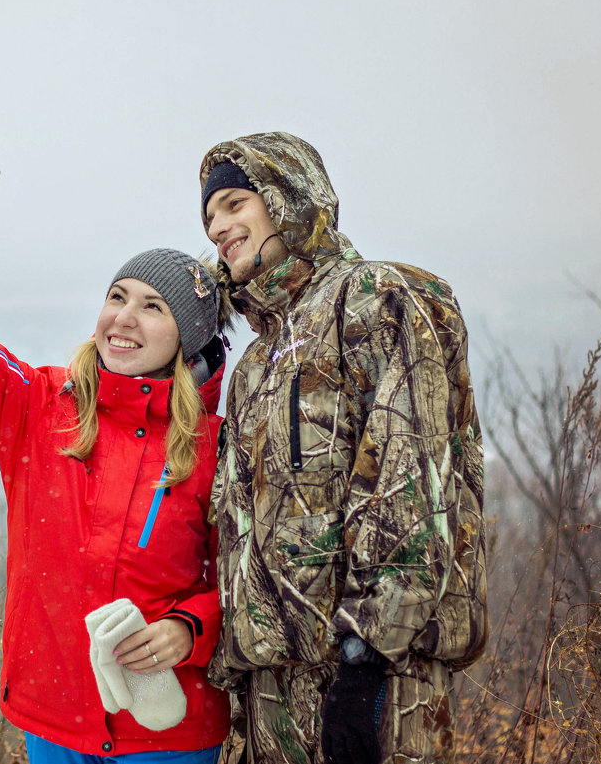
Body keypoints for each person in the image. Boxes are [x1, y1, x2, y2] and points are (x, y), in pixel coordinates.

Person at [0, 164, 233, 762]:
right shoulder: (37, 408)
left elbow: (246, 579)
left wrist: (190, 628)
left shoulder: (216, 447)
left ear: (189, 338)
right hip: (53, 719)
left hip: (166, 729)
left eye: (153, 307)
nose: (123, 318)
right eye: (117, 297)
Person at [198, 133, 487, 764]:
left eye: (233, 203)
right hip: (269, 693)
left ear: (288, 198)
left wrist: (365, 665)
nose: (217, 226)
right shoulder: (254, 364)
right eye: (209, 214)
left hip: (372, 677)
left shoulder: (380, 300)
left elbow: (409, 482)